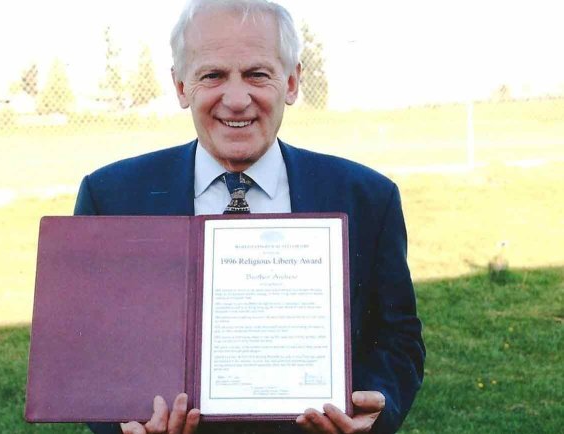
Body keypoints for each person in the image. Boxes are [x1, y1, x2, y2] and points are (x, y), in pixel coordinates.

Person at [75, 0, 425, 433]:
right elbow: (86, 351)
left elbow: (398, 338)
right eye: (213, 75)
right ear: (181, 86)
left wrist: (378, 408)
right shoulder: (112, 199)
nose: (237, 100)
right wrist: (123, 426)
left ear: (292, 82)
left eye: (257, 74)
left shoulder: (368, 198)